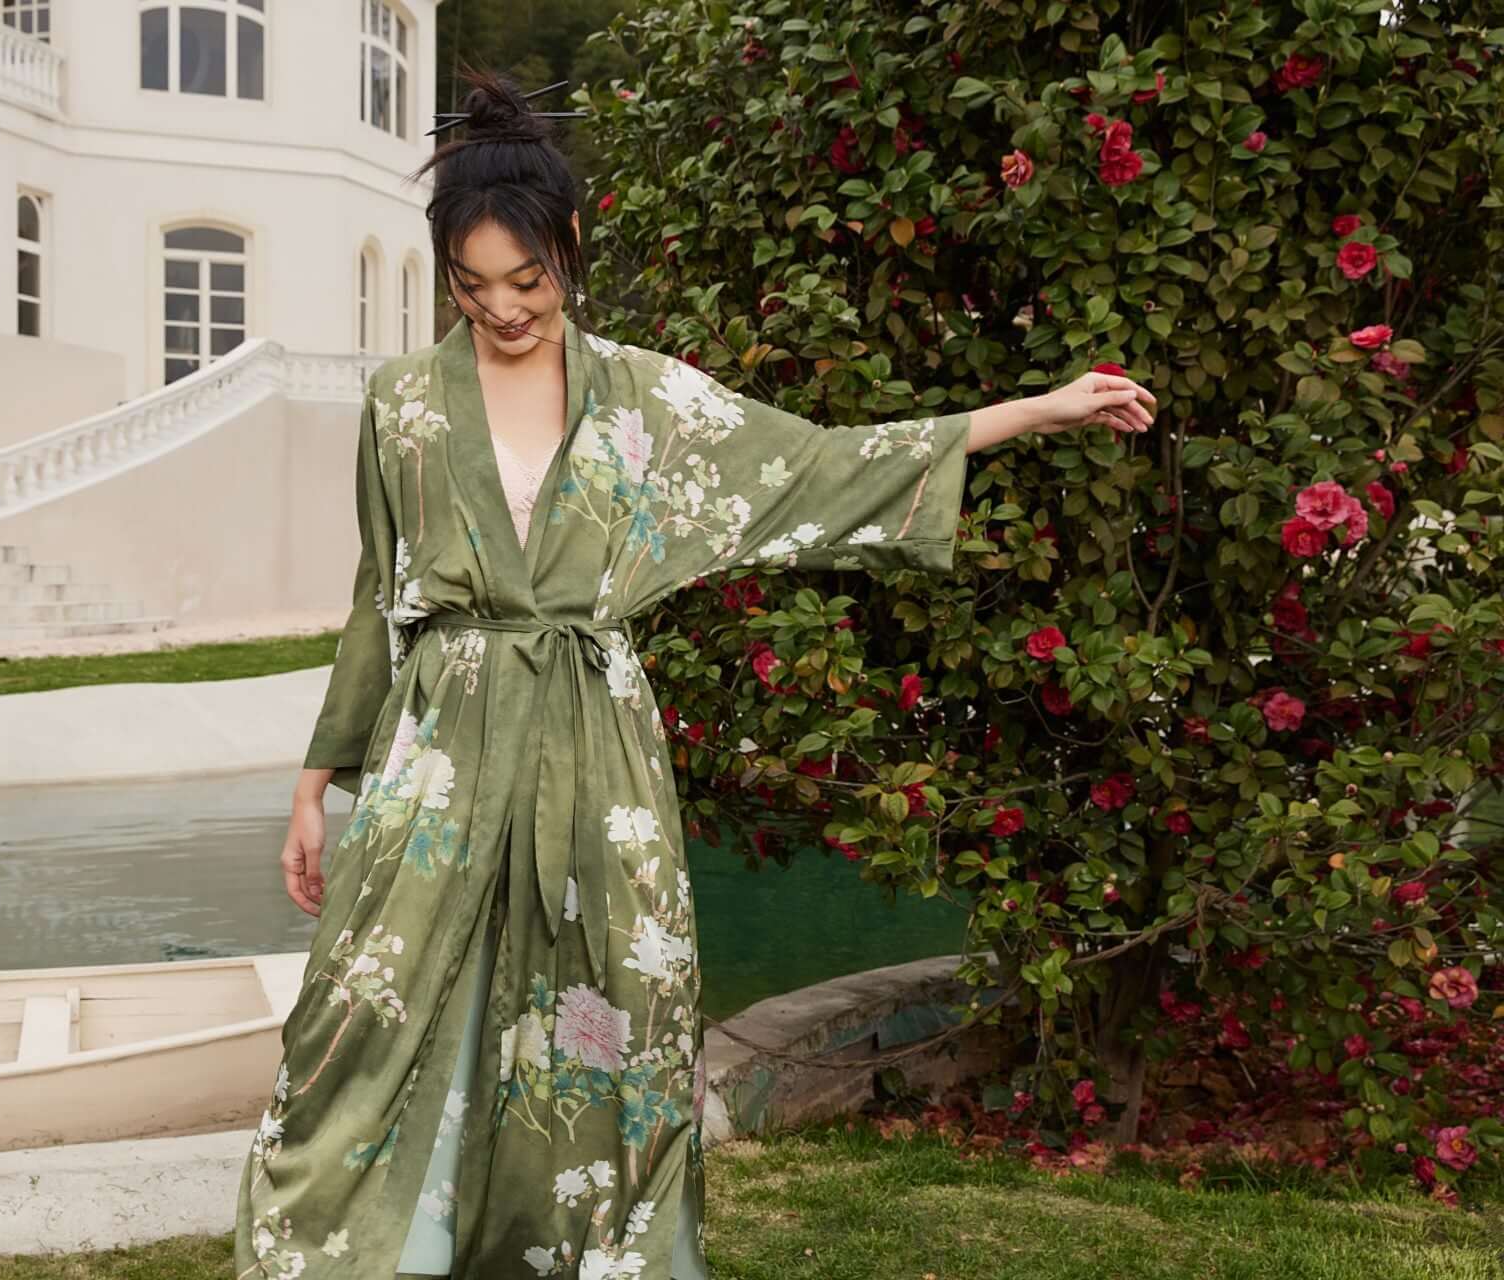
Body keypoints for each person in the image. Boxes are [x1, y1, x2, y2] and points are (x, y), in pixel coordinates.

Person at [235, 67, 1155, 1279]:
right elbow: (379, 596)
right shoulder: (403, 403)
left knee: (609, 1010)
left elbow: (820, 467)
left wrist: (1033, 410)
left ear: (570, 245)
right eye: (472, 284)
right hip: (439, 750)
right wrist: (316, 781)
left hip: (593, 743)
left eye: (528, 280)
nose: (503, 308)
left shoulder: (647, 400)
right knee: (374, 1003)